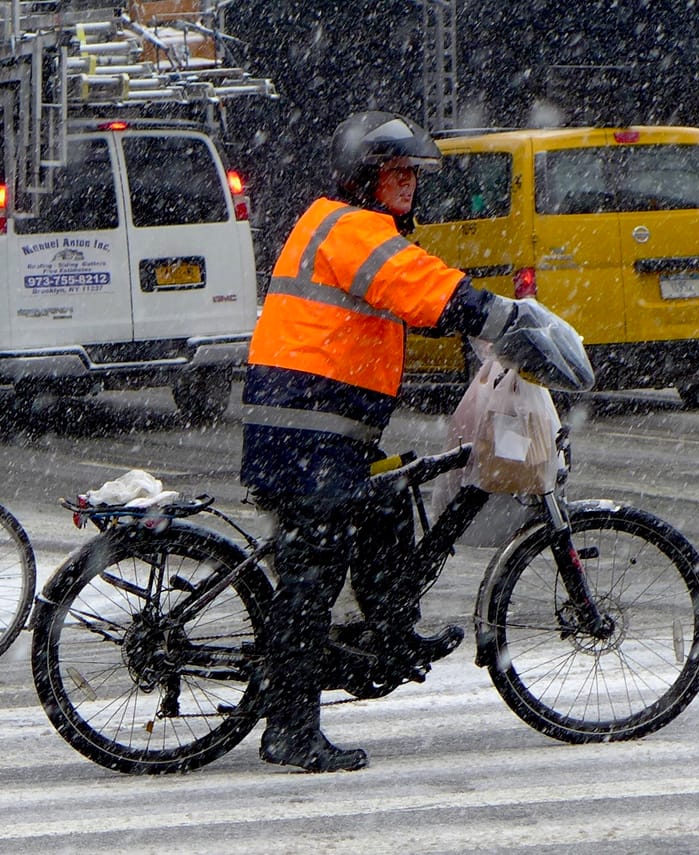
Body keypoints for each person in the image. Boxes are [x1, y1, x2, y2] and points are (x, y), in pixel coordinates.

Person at [240, 111, 592, 772]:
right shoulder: (352, 228)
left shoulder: (349, 226)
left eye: (410, 173)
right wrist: (504, 315)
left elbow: (412, 295)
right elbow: (422, 288)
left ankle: (392, 635)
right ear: (363, 177)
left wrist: (475, 322)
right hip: (305, 428)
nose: (406, 183)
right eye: (394, 171)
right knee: (313, 570)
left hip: (318, 424)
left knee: (387, 500)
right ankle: (289, 728)